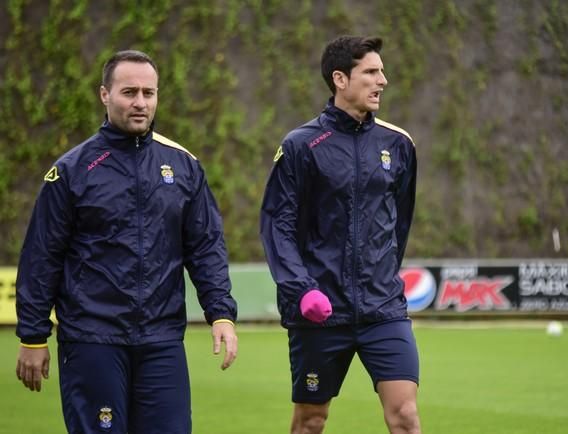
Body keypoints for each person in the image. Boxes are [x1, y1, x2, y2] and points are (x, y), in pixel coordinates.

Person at [15, 49, 238, 434]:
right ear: (105, 95)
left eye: (148, 93)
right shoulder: (71, 171)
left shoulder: (184, 166)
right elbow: (42, 256)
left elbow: (205, 247)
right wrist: (33, 337)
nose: (140, 103)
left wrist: (220, 313)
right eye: (129, 92)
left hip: (162, 338)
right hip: (92, 338)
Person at [260, 36, 421, 434]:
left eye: (381, 70)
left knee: (405, 416)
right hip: (319, 311)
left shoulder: (398, 144)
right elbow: (277, 227)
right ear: (340, 79)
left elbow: (399, 224)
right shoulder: (301, 146)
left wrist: (380, 279)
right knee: (311, 421)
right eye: (371, 71)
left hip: (383, 310)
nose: (382, 80)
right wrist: (302, 290)